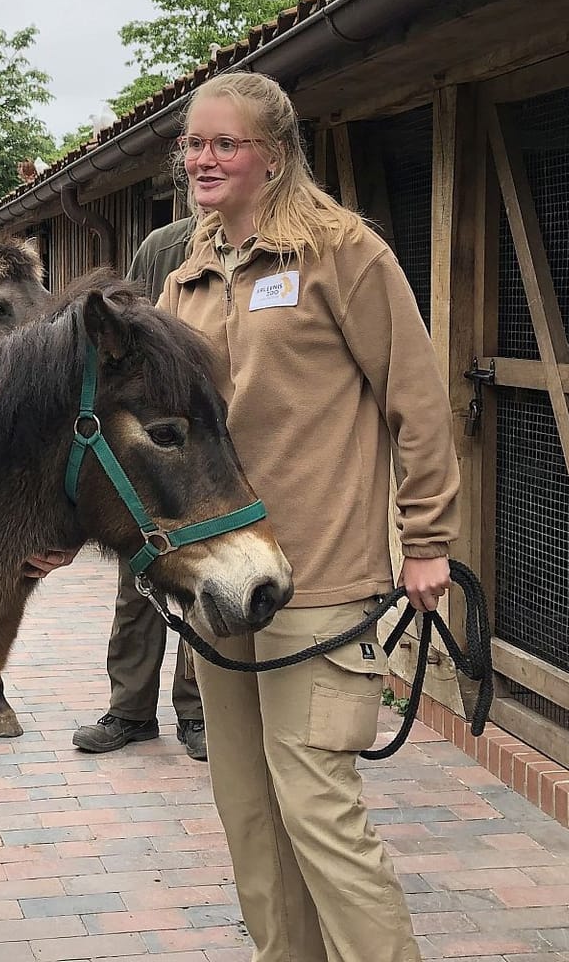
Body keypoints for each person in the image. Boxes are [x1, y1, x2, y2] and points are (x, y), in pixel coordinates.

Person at [159, 72, 459, 962]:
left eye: (226, 143)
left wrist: (429, 540)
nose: (203, 160)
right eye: (194, 144)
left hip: (323, 577)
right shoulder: (188, 276)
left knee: (317, 808)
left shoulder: (341, 254)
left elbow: (418, 400)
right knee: (248, 813)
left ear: (276, 155)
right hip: (220, 581)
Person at [69, 214, 210, 762]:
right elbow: (124, 333)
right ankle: (130, 710)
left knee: (200, 587)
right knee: (138, 585)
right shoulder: (161, 247)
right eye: (197, 145)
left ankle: (196, 713)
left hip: (211, 449)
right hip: (156, 449)